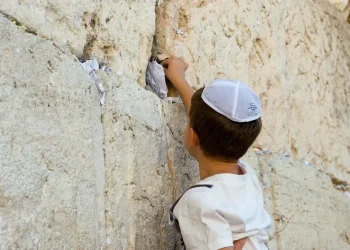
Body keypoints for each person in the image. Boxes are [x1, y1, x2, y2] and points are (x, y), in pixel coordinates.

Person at [162, 56, 272, 250]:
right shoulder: (246, 176)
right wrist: (180, 81)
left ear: (193, 136)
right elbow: (208, 124)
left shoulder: (200, 202)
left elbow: (206, 123)